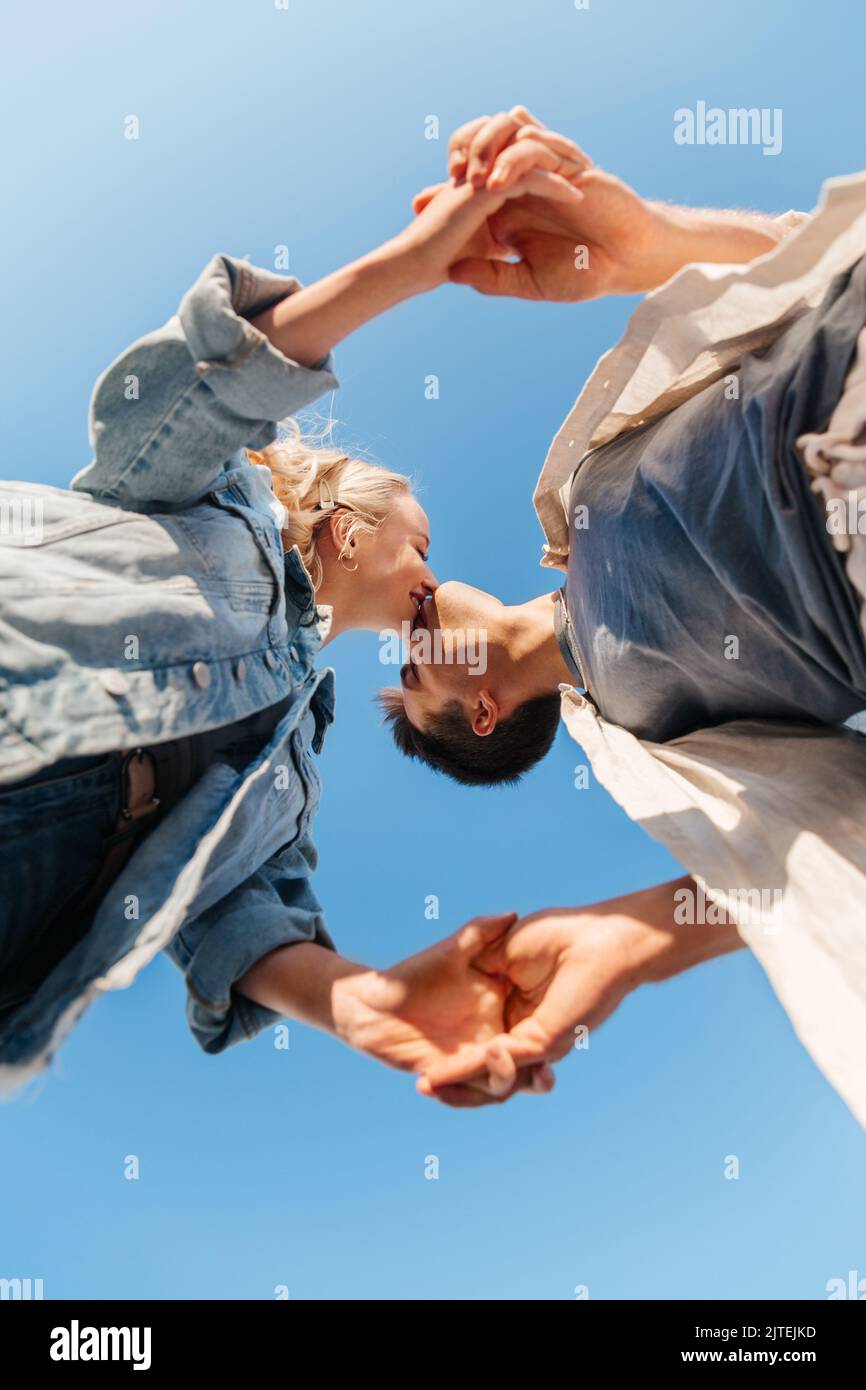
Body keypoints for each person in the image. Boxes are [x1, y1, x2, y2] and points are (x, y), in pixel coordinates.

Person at [0, 143, 586, 1102]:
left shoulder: (292, 769)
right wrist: (409, 266)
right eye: (426, 541)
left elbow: (239, 921)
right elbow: (184, 400)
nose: (432, 577)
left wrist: (375, 1006)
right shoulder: (222, 501)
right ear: (353, 525)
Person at [379, 110, 866, 1129]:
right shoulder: (643, 728)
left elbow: (782, 295)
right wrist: (635, 935)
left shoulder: (576, 493)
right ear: (479, 711)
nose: (404, 638)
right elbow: (811, 833)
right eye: (414, 673)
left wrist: (643, 245)